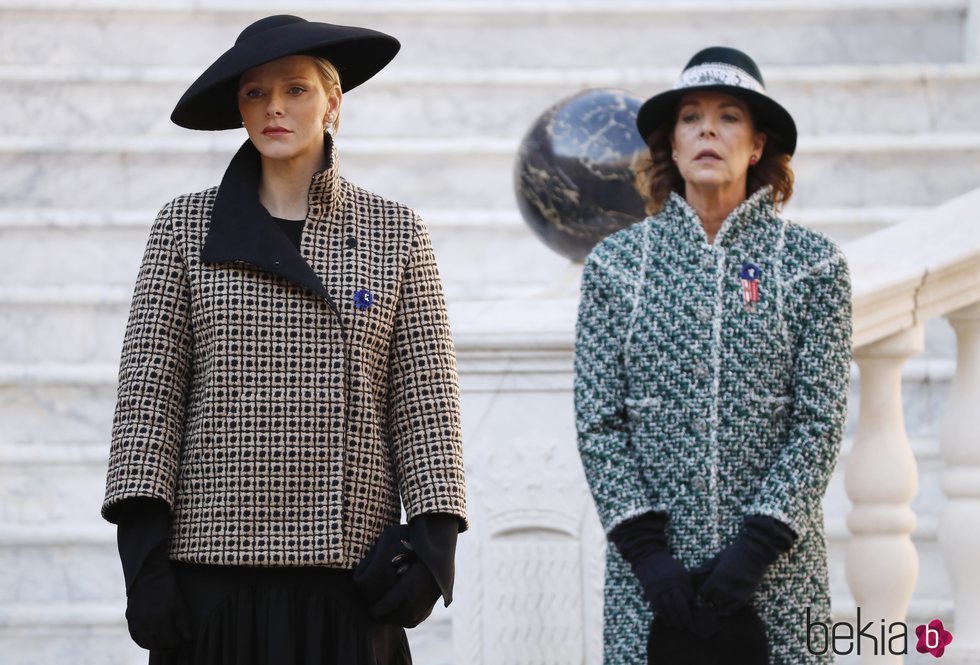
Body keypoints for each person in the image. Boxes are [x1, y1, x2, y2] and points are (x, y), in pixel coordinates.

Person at [101, 15, 468, 665]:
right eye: (254, 92)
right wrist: (144, 563)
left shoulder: (395, 231)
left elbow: (425, 399)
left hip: (349, 577)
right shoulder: (184, 226)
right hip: (211, 575)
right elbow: (149, 396)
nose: (274, 107)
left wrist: (435, 548)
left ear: (334, 103)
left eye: (296, 89)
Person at [574, 47, 851, 664]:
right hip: (652, 585)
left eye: (729, 117)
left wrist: (755, 549)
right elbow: (598, 423)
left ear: (756, 147)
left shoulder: (814, 266)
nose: (707, 129)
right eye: (691, 117)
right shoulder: (616, 268)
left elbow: (820, 421)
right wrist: (649, 557)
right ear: (670, 145)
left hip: (777, 577)